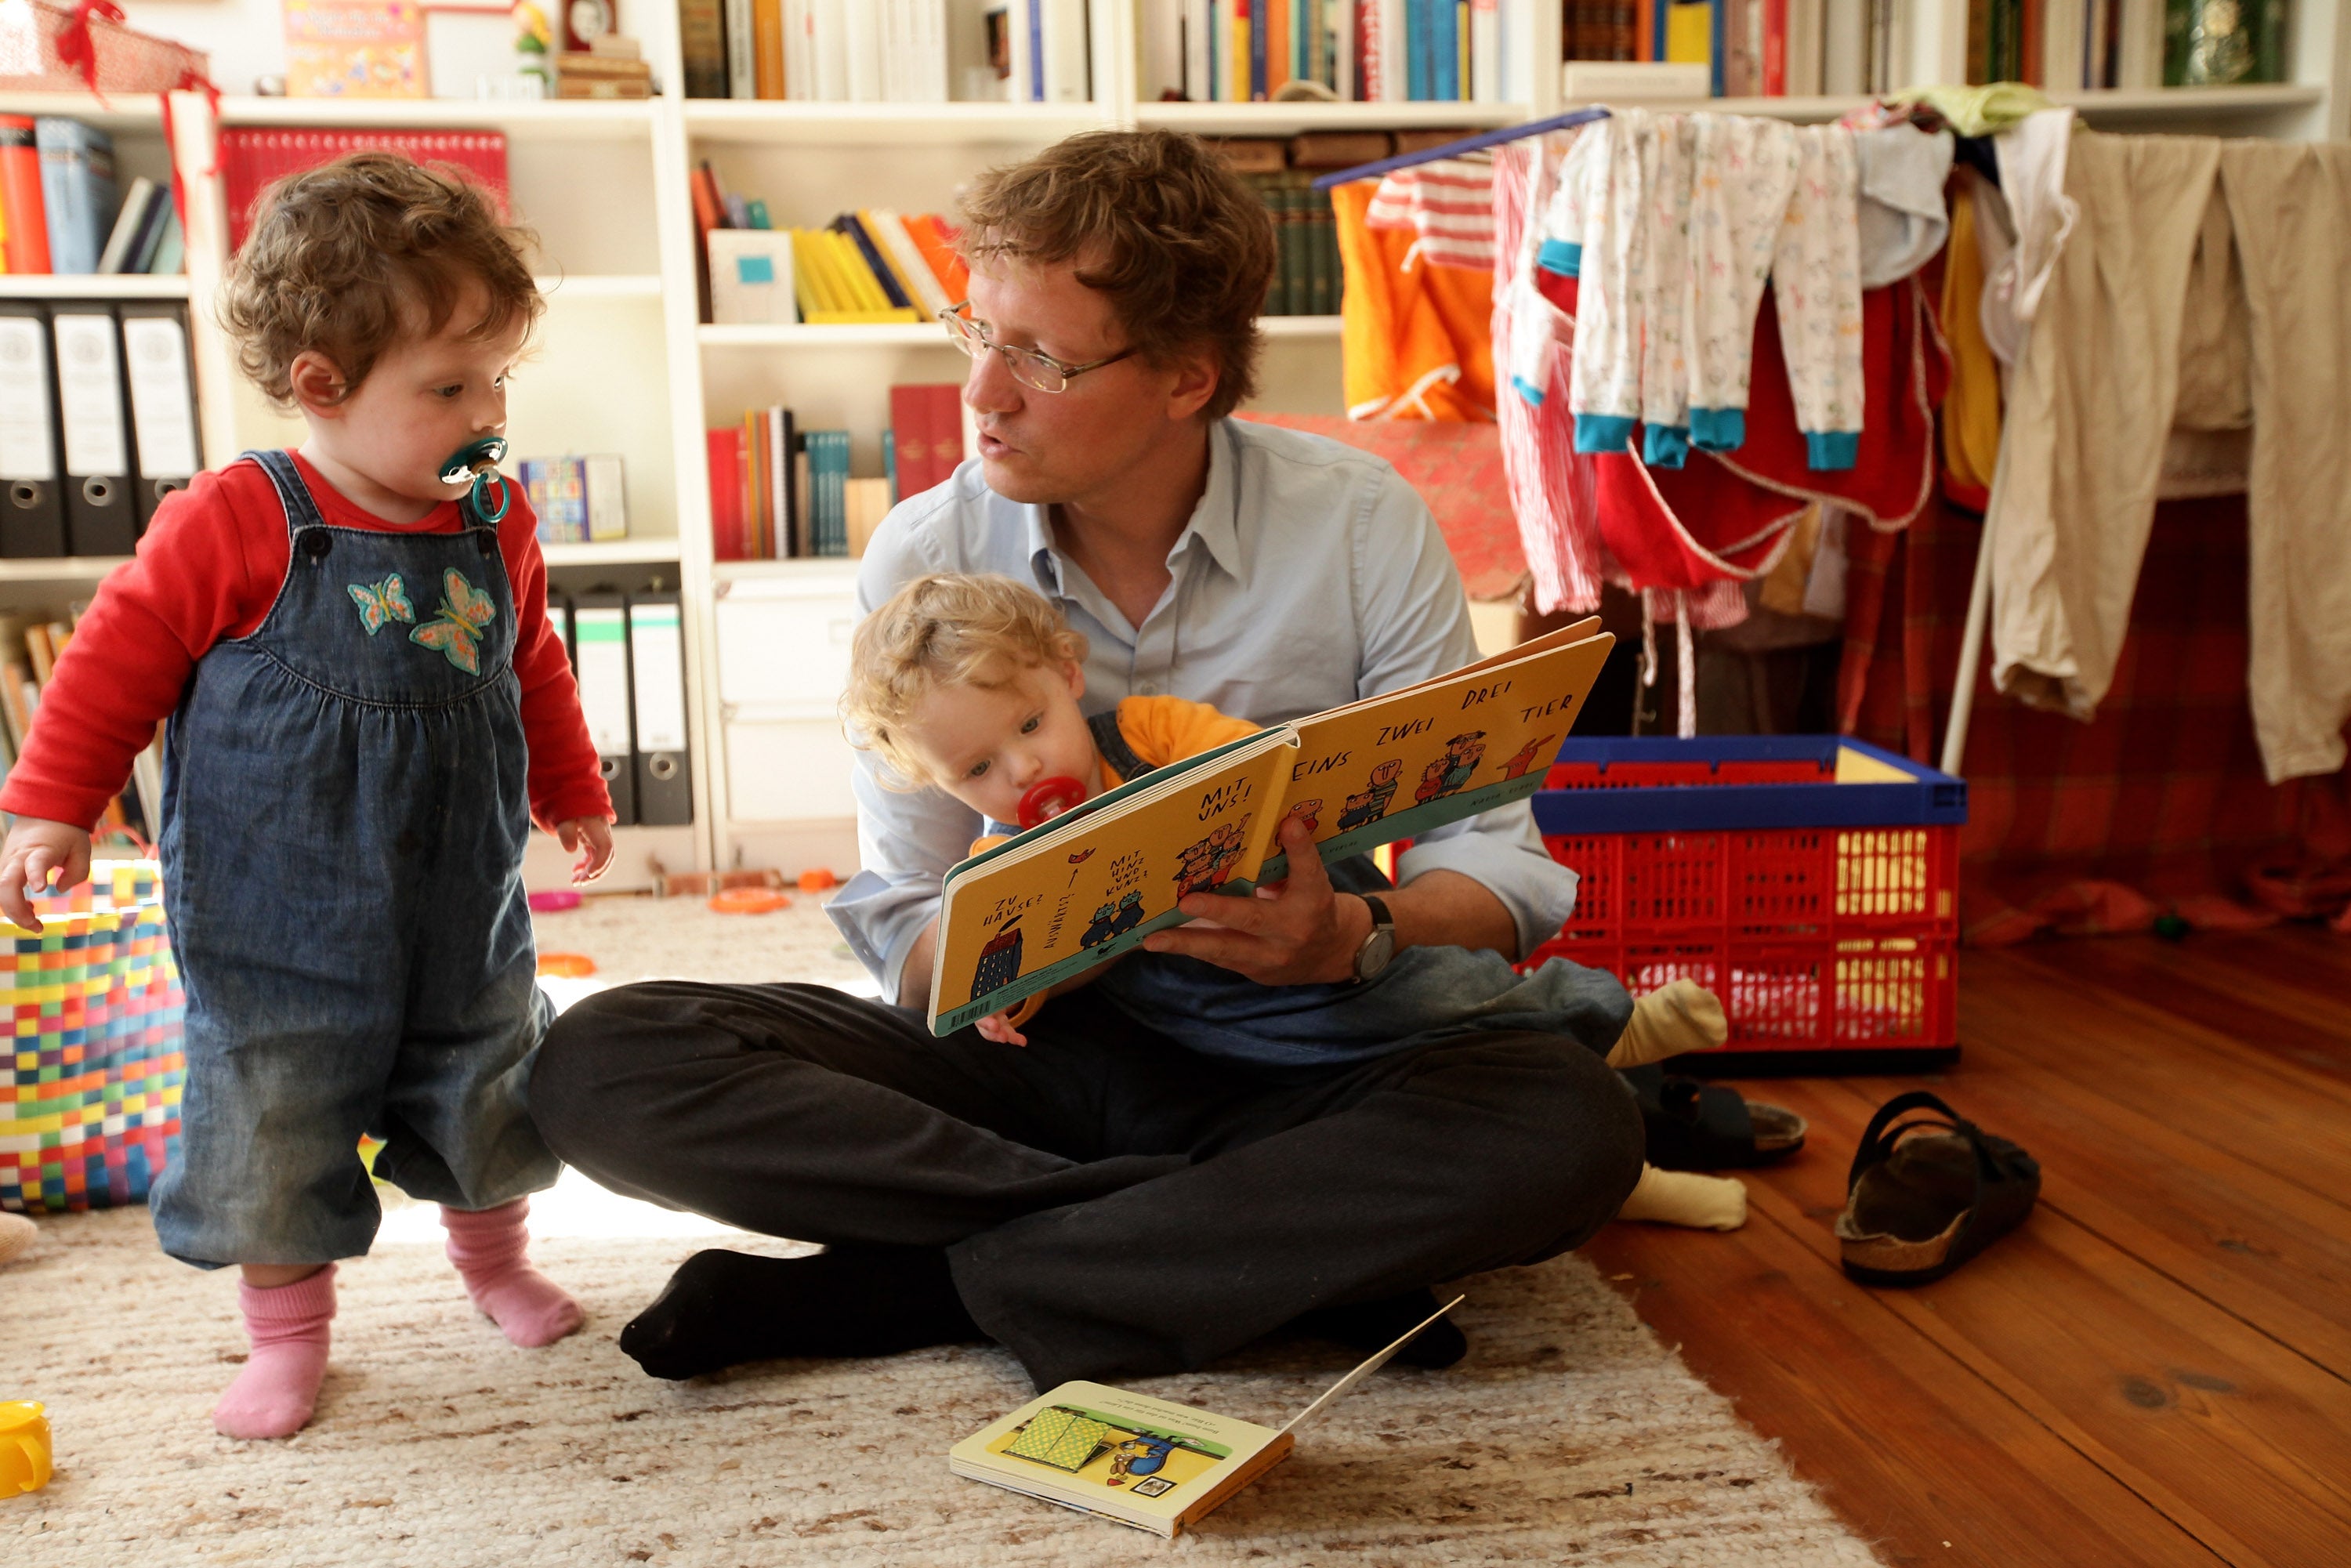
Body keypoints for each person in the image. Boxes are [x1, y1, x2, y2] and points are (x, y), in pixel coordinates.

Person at [529, 128, 1650, 1393]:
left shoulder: (1355, 521)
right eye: (978, 334)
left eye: (1043, 359)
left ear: (1186, 378)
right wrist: (999, 957)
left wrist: (1352, 936)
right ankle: (1217, 1244)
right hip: (1029, 1072)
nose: (982, 394)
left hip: (1302, 1045)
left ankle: (915, 1281)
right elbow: (908, 906)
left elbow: (1492, 863)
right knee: (600, 1062)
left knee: (1571, 1126)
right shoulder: (927, 551)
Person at [0, 153, 616, 1439]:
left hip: (462, 903)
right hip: (281, 924)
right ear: (322, 387)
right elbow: (113, 661)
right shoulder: (235, 516)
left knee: (487, 1083)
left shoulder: (492, 522)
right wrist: (53, 803)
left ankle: (493, 1263)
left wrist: (571, 782)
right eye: (452, 386)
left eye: (498, 376)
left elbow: (531, 662)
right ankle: (288, 1339)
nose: (487, 410)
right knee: (273, 1122)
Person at [842, 570, 1746, 1230]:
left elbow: (1259, 769)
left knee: (1441, 990)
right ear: (937, 784)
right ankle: (1625, 1168)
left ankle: (1609, 1025)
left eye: (1031, 725)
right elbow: (1017, 970)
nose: (1024, 769)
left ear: (1067, 675)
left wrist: (1245, 819)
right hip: (1237, 1031)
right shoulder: (1006, 864)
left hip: (1330, 922)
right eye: (978, 769)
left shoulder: (1145, 730)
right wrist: (1005, 1001)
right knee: (1417, 1089)